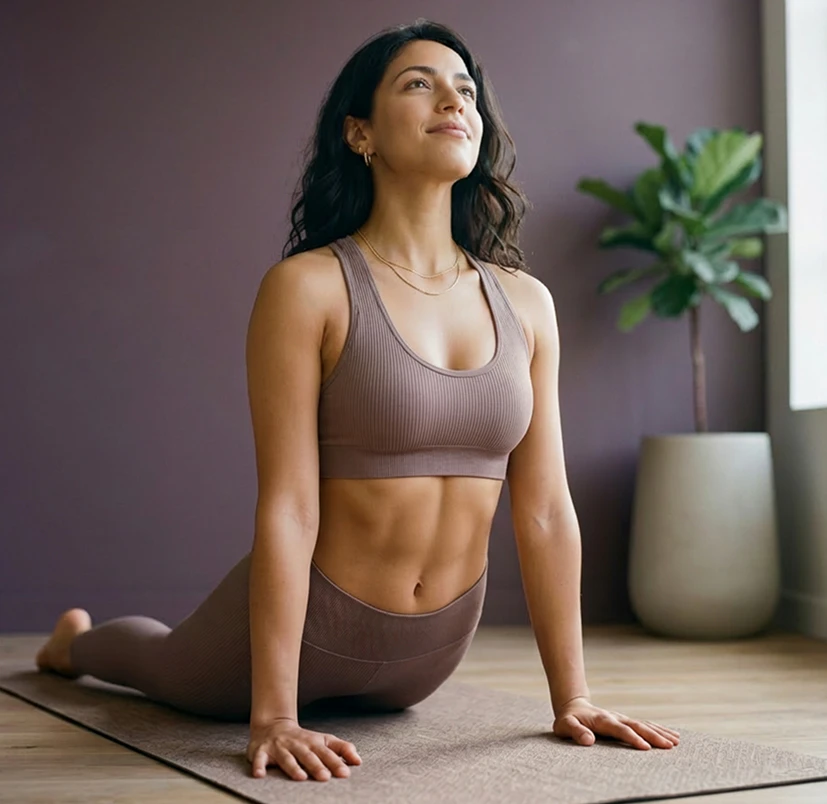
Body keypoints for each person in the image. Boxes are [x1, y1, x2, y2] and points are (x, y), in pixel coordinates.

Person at [35, 19, 680, 784]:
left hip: (427, 656)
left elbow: (542, 509)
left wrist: (572, 697)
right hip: (312, 626)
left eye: (465, 90)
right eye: (419, 84)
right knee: (160, 661)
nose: (454, 101)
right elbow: (288, 506)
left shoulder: (526, 302)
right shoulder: (307, 288)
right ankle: (73, 644)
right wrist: (274, 715)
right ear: (359, 133)